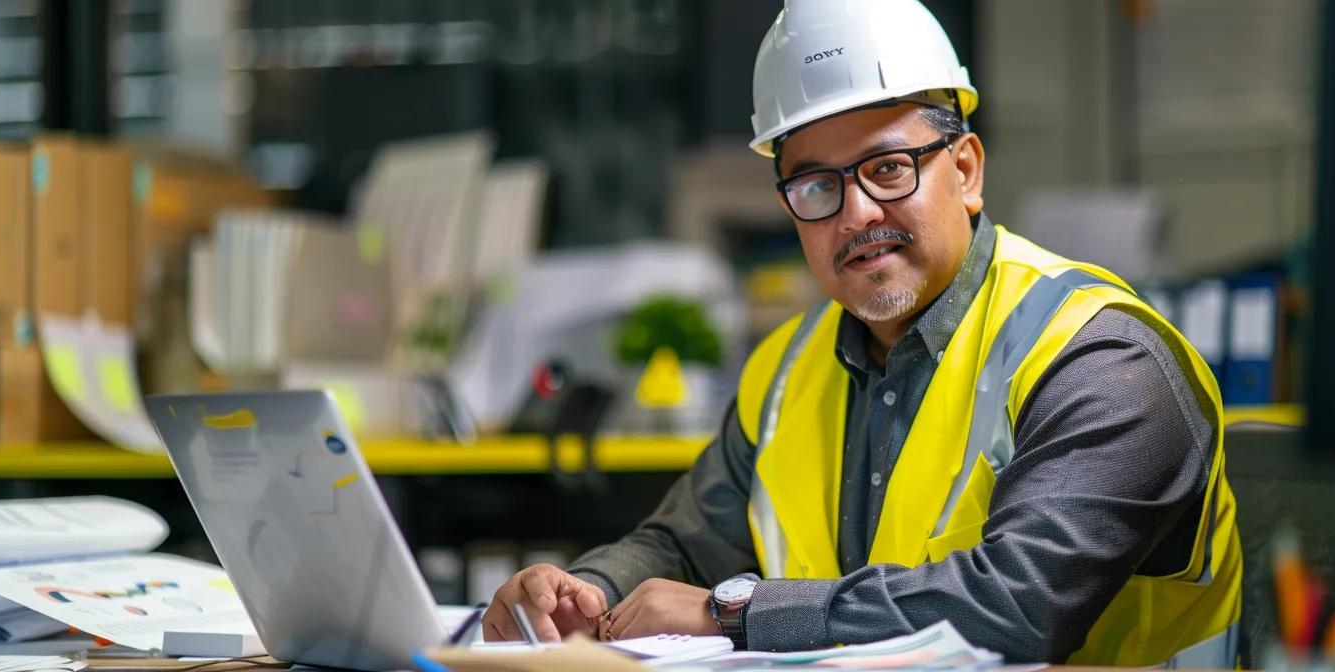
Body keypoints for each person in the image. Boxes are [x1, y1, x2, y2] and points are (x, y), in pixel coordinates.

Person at [482, 0, 1241, 665]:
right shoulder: (785, 371)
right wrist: (585, 589)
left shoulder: (1100, 360)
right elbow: (683, 543)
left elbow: (1018, 609)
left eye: (888, 168)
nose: (856, 215)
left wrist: (735, 612)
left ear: (967, 170)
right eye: (818, 186)